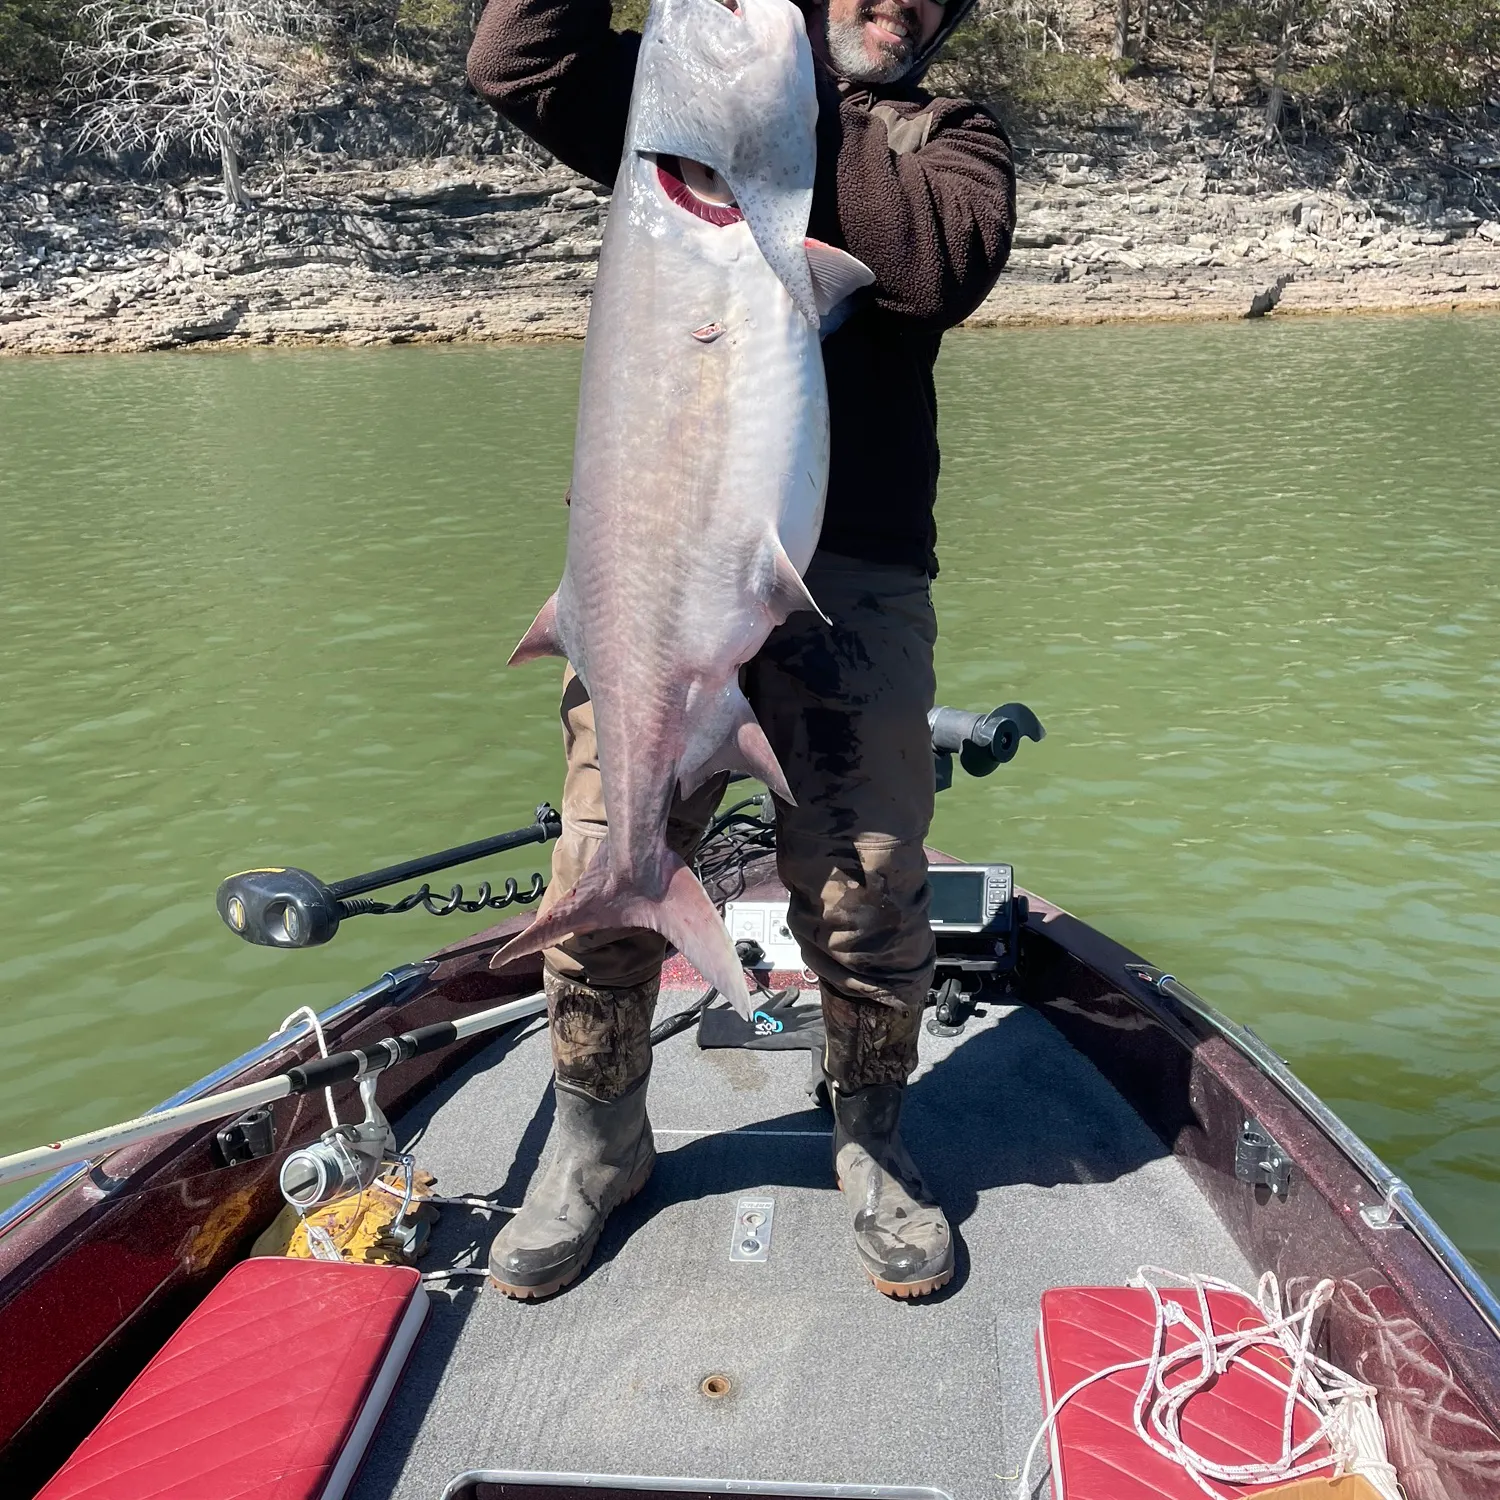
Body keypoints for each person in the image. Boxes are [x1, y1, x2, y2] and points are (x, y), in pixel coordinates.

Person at [467, 0, 1015, 1300]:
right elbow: (514, 59)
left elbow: (937, 261)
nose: (900, 1)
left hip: (856, 588)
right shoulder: (670, 129)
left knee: (871, 883)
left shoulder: (953, 137)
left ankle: (870, 1140)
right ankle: (597, 1144)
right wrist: (735, 101)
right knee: (605, 855)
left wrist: (784, 126)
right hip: (651, 571)